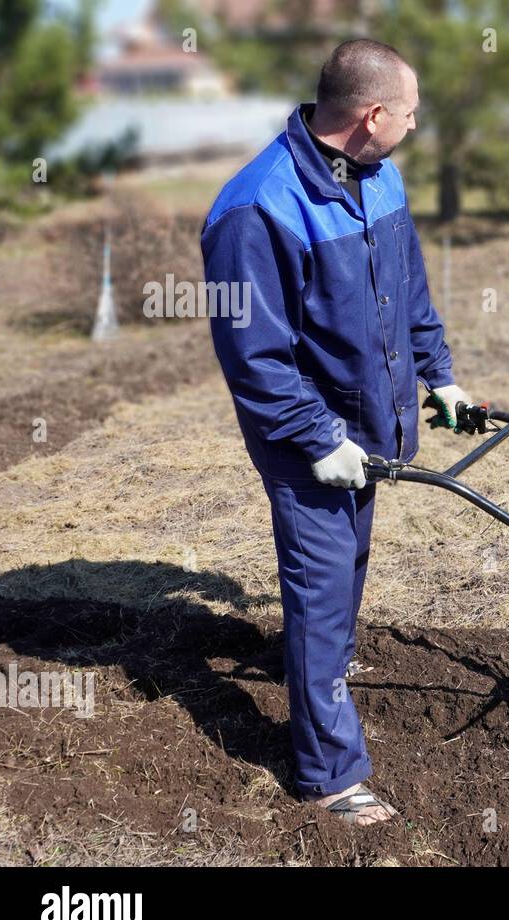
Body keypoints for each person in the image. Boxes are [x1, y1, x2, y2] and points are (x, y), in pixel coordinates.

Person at [201, 39, 469, 825]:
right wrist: (318, 439)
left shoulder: (376, 175)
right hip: (306, 438)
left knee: (348, 560)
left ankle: (326, 668)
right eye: (411, 113)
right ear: (373, 114)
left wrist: (440, 374)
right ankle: (329, 776)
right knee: (320, 590)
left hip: (369, 421)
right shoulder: (255, 209)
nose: (416, 126)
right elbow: (253, 356)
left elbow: (407, 285)